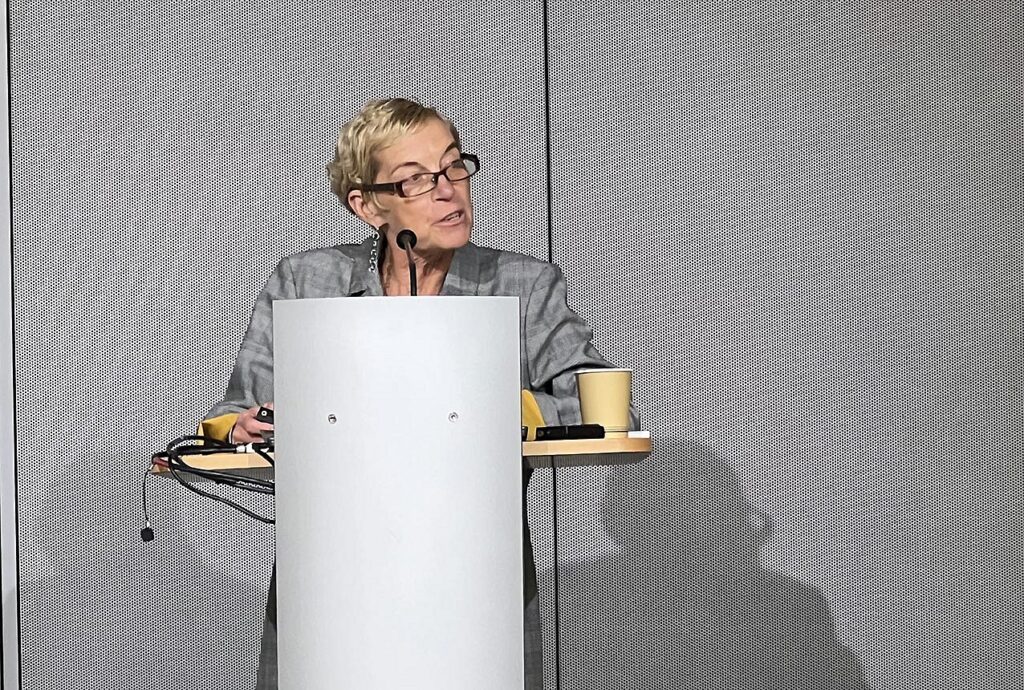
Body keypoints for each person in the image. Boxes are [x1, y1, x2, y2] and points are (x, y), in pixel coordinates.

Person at [203, 97, 634, 690]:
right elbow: (232, 414)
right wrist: (242, 427)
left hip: (473, 580)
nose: (448, 190)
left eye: (454, 166)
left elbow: (599, 407)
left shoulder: (521, 284)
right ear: (366, 204)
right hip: (332, 581)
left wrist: (493, 405)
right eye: (417, 179)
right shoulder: (305, 282)